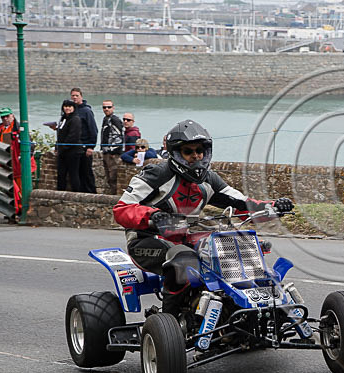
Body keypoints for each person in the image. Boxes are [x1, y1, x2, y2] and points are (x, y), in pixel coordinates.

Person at [113, 119, 293, 314]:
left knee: (239, 249)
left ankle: (247, 312)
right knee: (184, 261)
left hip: (184, 238)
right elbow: (122, 209)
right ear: (175, 153)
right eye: (188, 152)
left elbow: (242, 204)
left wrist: (273, 207)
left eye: (199, 151)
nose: (195, 156)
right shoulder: (156, 174)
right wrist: (154, 216)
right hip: (146, 240)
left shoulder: (209, 179)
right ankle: (169, 320)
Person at [0, 107, 35, 219]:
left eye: (7, 116)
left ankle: (23, 210)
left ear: (12, 116)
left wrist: (25, 159)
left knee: (21, 189)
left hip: (19, 164)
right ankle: (14, 210)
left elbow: (30, 145)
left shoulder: (19, 128)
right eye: (3, 117)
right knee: (11, 188)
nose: (5, 119)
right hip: (7, 164)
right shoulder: (0, 127)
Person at [70, 88, 98, 193]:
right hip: (75, 148)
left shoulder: (87, 111)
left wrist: (91, 146)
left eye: (77, 95)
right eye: (73, 96)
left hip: (85, 146)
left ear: (81, 96)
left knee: (87, 172)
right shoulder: (71, 111)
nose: (74, 98)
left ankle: (92, 193)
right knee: (77, 172)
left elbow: (93, 129)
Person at [56, 100, 84, 192]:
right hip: (63, 152)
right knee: (61, 173)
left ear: (73, 108)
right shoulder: (64, 118)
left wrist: (63, 147)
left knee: (73, 174)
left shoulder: (75, 119)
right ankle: (60, 192)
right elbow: (61, 134)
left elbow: (73, 136)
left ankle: (76, 193)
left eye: (70, 106)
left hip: (73, 151)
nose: (67, 108)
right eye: (65, 106)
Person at [100, 99, 123, 195]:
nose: (106, 109)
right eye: (104, 107)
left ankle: (115, 196)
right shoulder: (105, 119)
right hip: (106, 152)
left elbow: (119, 136)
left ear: (113, 108)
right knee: (108, 177)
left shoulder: (115, 120)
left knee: (113, 176)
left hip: (112, 154)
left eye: (109, 107)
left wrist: (114, 151)